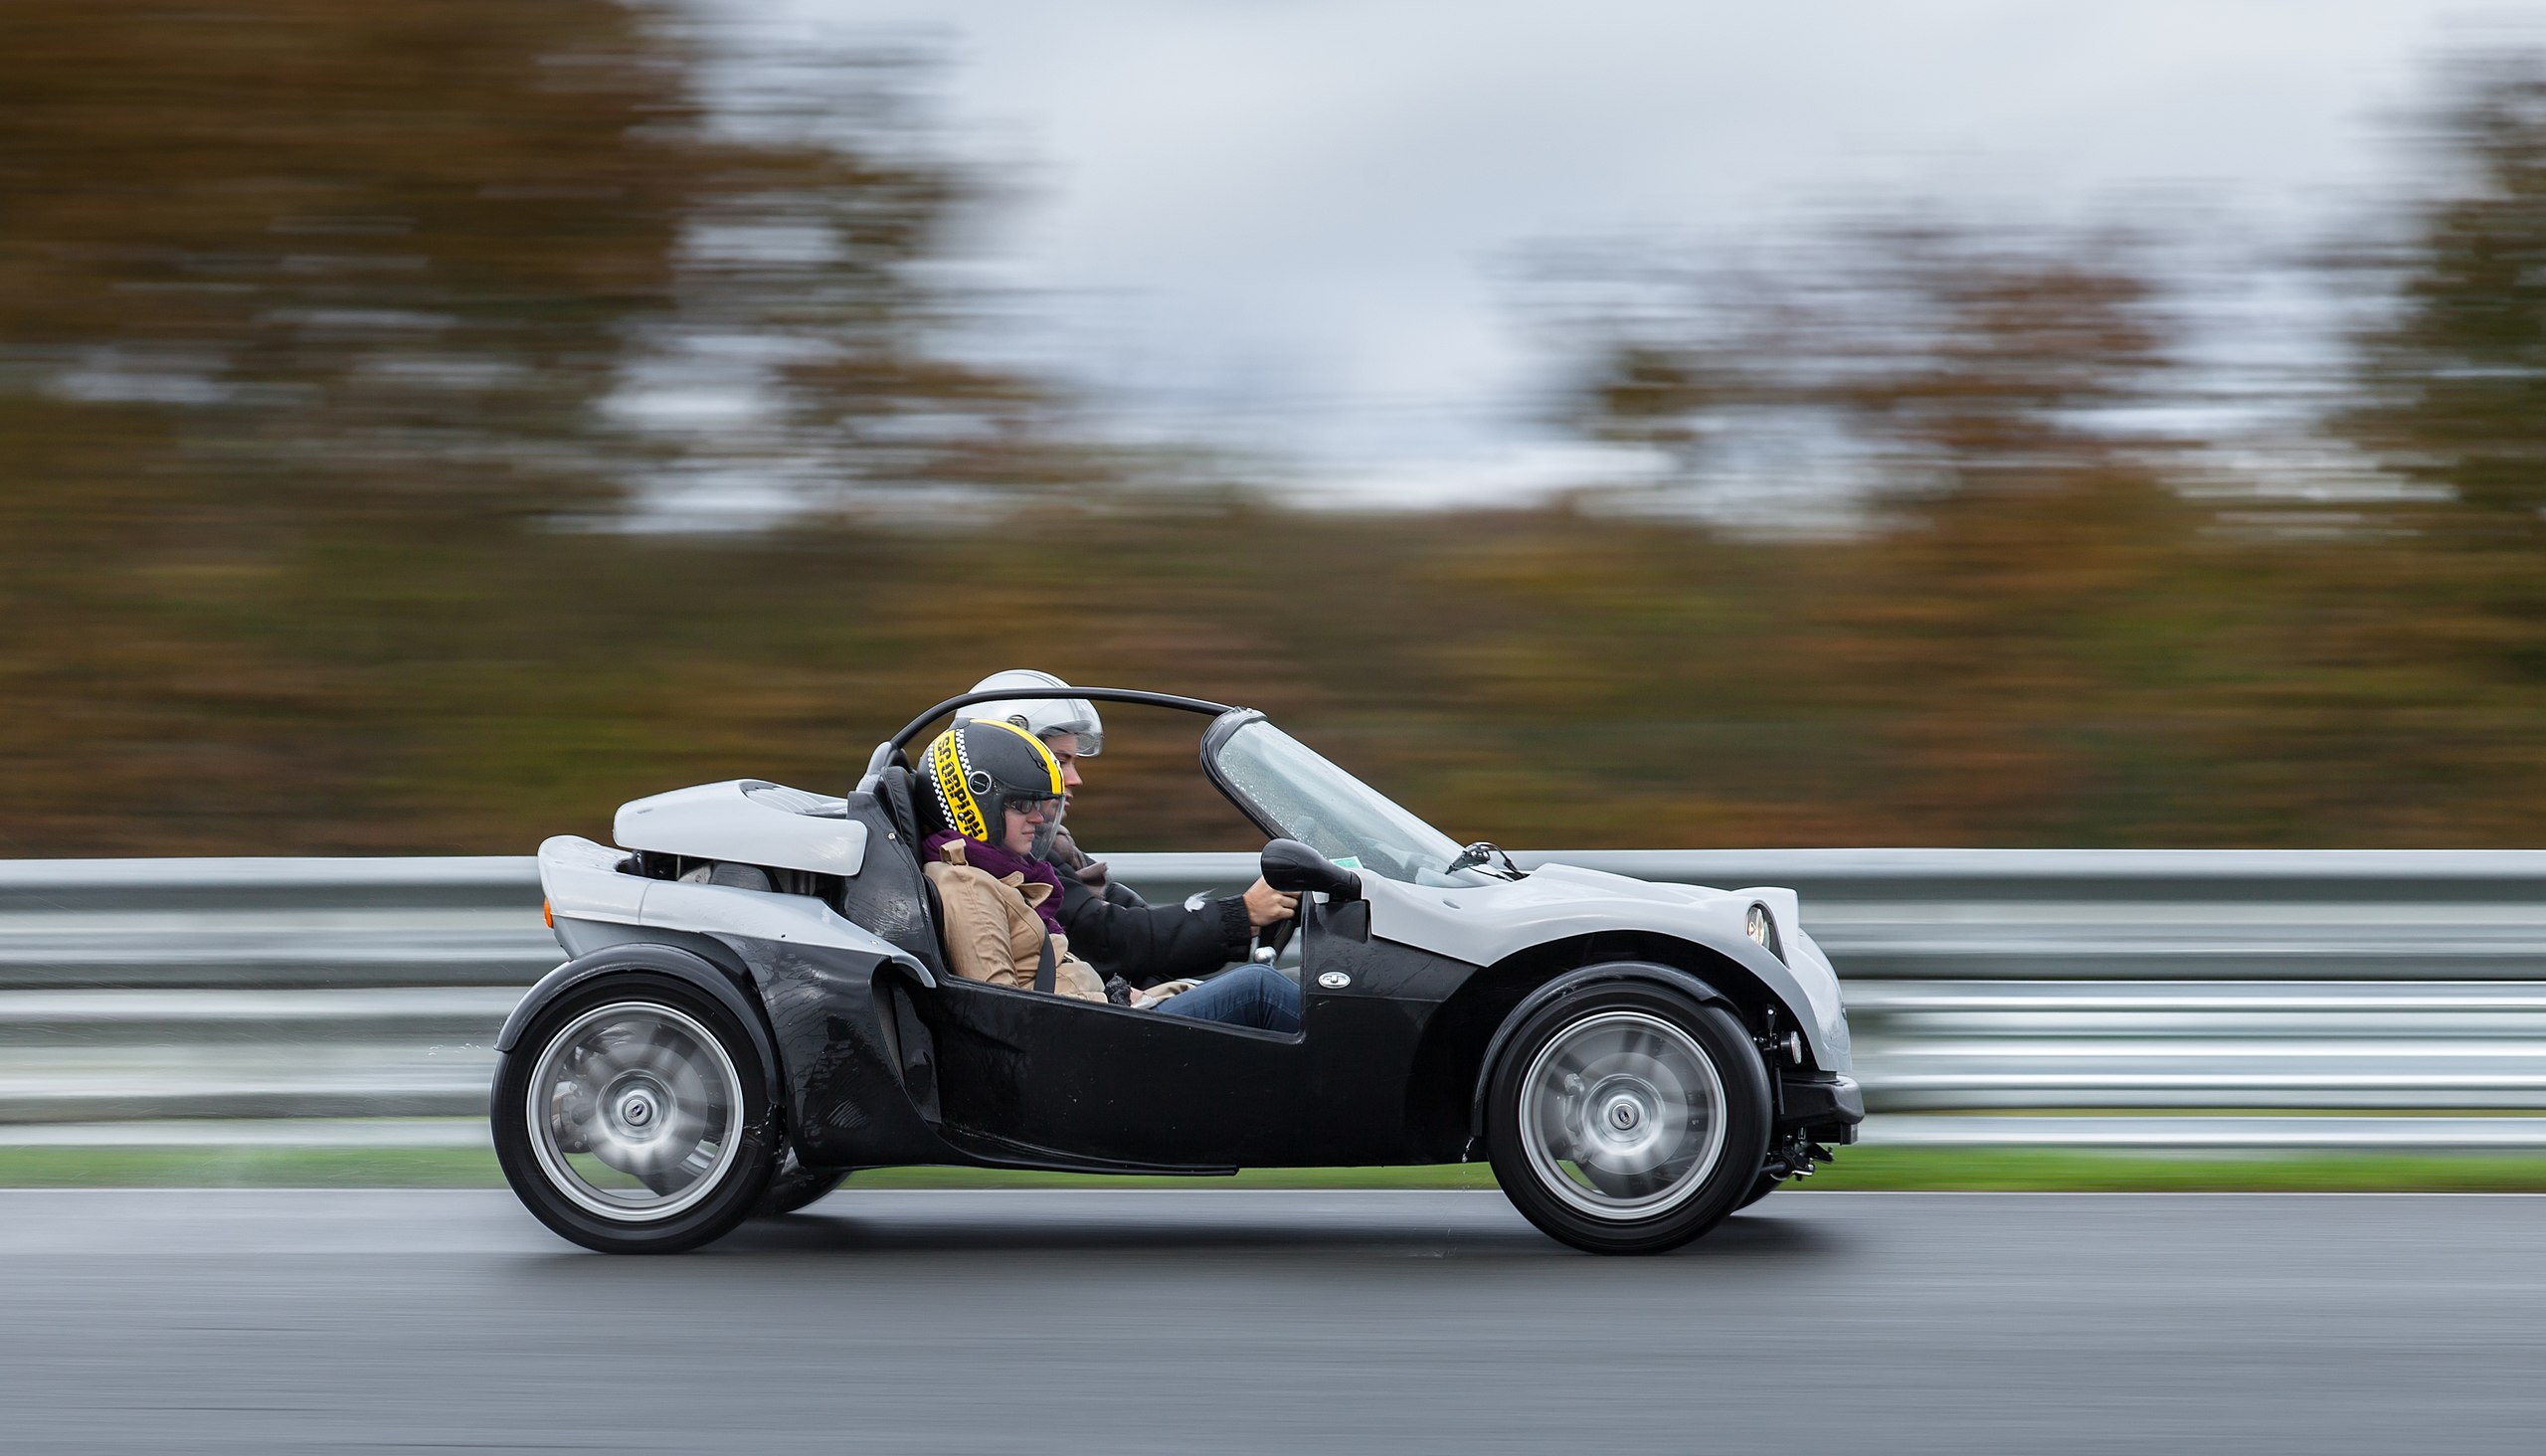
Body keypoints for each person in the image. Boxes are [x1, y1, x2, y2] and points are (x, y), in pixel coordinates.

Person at [917, 717, 1298, 1032]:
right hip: (1088, 1044)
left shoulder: (1005, 875)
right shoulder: (968, 886)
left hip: (1098, 1018)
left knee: (1299, 984)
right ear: (974, 803)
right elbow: (999, 1015)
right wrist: (1108, 1003)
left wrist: (1114, 995)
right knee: (1257, 989)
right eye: (1020, 805)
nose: (1037, 817)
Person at [962, 669, 1298, 991]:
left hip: (1120, 1004)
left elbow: (1132, 921)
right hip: (1098, 1017)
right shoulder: (1005, 859)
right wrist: (1242, 912)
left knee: (1288, 985)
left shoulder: (1051, 850)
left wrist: (1238, 916)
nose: (1075, 778)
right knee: (1263, 988)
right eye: (1060, 761)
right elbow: (1106, 938)